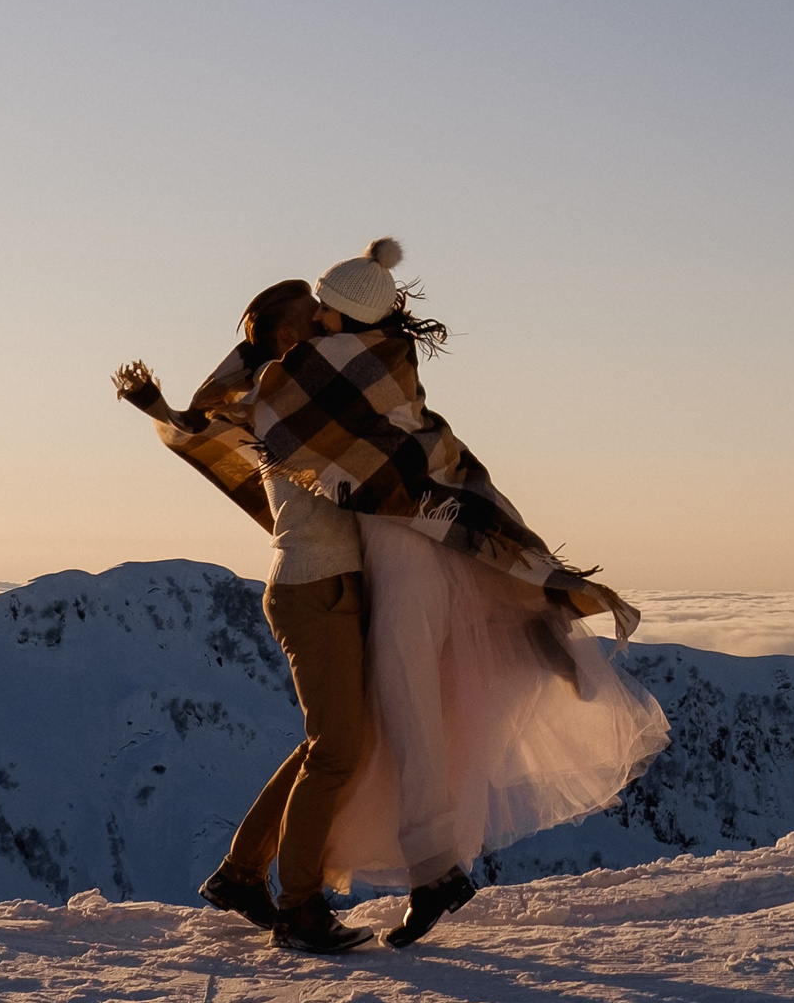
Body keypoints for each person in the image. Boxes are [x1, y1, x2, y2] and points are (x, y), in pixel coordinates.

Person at [252, 240, 671, 949]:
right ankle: (433, 866)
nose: (317, 319)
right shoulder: (376, 356)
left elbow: (263, 380)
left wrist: (184, 406)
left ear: (347, 316)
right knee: (416, 712)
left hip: (405, 558)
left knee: (410, 713)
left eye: (326, 310)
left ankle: (434, 873)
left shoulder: (344, 365)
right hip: (419, 551)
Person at [114, 280, 375, 955]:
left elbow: (203, 423)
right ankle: (299, 908)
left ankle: (241, 875)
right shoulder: (285, 399)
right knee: (339, 749)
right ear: (291, 337)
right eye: (315, 319)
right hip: (314, 589)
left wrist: (164, 408)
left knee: (335, 742)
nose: (327, 325)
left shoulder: (288, 393)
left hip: (325, 586)